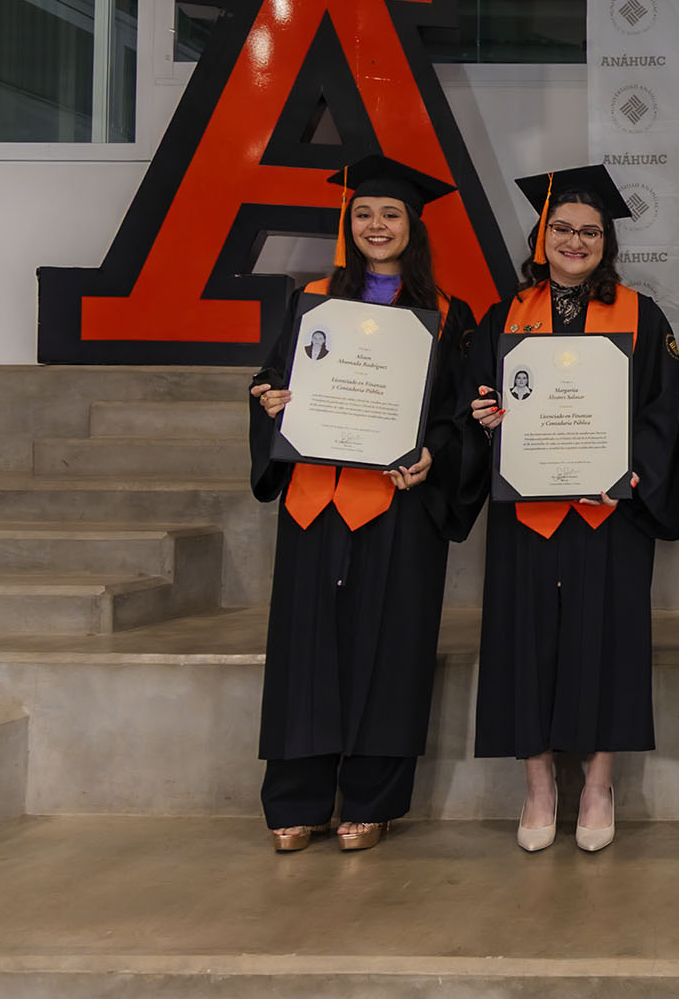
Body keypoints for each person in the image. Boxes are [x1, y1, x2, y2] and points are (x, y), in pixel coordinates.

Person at [247, 154, 478, 853]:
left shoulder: (447, 314)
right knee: (304, 649)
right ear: (350, 225)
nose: (377, 225)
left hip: (397, 504)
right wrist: (270, 401)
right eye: (365, 214)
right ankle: (298, 798)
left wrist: (435, 453)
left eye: (391, 214)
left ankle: (373, 799)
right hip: (317, 499)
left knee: (392, 648)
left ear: (414, 227)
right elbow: (271, 381)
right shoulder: (311, 299)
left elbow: (458, 413)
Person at [463, 163, 679, 853]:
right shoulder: (502, 316)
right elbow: (473, 402)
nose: (576, 241)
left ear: (606, 242)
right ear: (541, 236)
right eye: (562, 229)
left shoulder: (643, 317)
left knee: (611, 639)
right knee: (523, 640)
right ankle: (539, 786)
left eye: (590, 232)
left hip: (606, 511)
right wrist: (484, 416)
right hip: (528, 510)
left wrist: (627, 473)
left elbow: (662, 414)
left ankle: (597, 783)